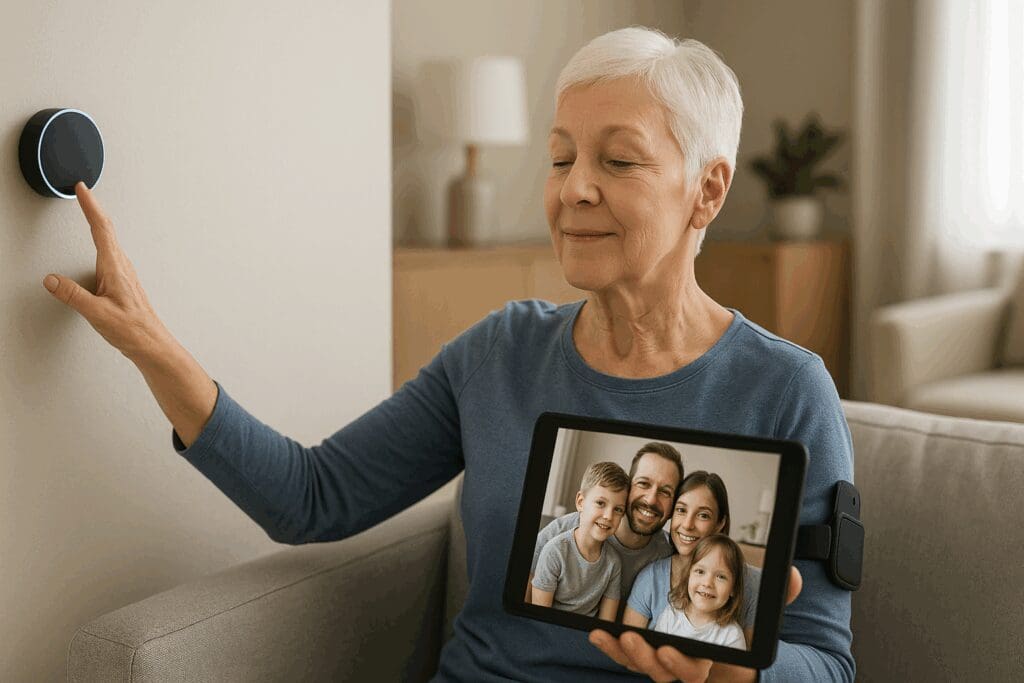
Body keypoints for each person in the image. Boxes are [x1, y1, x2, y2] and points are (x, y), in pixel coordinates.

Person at [41, 25, 853, 683]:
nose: (574, 188)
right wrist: (150, 345)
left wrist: (745, 674)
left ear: (707, 190)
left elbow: (828, 662)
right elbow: (311, 495)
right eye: (562, 156)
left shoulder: (786, 390)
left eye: (618, 159)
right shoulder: (499, 352)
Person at [529, 442, 683, 613]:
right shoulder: (561, 532)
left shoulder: (669, 555)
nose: (651, 499)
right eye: (643, 484)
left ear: (673, 507)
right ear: (628, 488)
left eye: (665, 492)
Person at [624, 471, 761, 646]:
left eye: (703, 515)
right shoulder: (651, 579)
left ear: (720, 524)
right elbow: (627, 651)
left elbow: (748, 668)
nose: (688, 525)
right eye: (681, 510)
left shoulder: (751, 585)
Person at [531, 461, 628, 619]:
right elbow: (539, 618)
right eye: (600, 503)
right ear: (580, 502)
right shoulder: (554, 552)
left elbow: (606, 622)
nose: (608, 516)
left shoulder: (613, 563)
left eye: (618, 509)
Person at [656, 535, 747, 650]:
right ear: (688, 576)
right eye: (700, 571)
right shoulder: (670, 616)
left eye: (721, 577)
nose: (707, 583)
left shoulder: (732, 637)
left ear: (733, 588)